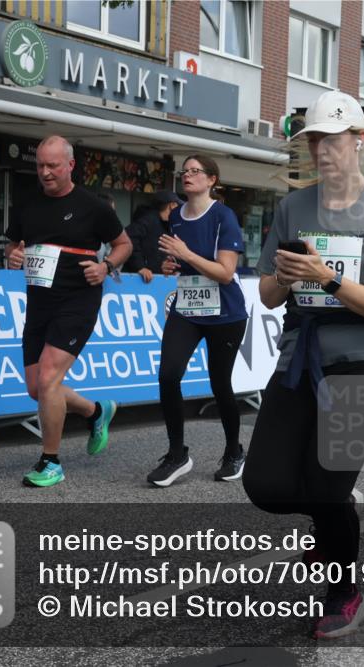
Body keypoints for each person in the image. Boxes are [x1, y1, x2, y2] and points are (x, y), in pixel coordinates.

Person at [242, 90, 364, 639]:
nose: (321, 150)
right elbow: (269, 295)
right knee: (266, 486)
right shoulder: (293, 206)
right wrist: (287, 278)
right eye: (313, 140)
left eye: (332, 139)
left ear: (359, 141)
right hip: (300, 359)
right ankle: (333, 508)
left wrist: (330, 279)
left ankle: (345, 594)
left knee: (324, 488)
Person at [4, 136, 132, 487]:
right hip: (39, 303)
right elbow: (13, 246)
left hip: (78, 301)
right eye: (41, 166)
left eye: (53, 166)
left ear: (70, 166)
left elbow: (124, 245)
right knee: (37, 388)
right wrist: (13, 255)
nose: (45, 172)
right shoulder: (27, 205)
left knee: (48, 379)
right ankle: (95, 412)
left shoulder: (93, 207)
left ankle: (51, 461)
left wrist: (106, 266)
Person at [146, 156, 248, 486]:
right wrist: (171, 265)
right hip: (187, 308)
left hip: (224, 313)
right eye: (184, 171)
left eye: (194, 172)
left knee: (220, 384)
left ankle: (234, 450)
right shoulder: (175, 216)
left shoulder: (223, 216)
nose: (187, 176)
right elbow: (184, 260)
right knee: (168, 374)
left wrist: (186, 254)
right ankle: (177, 455)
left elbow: (225, 271)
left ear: (211, 180)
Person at [125, 190, 181, 283]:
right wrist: (140, 267)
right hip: (136, 282)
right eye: (178, 207)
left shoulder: (167, 225)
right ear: (172, 205)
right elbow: (128, 239)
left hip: (154, 282)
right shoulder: (147, 221)